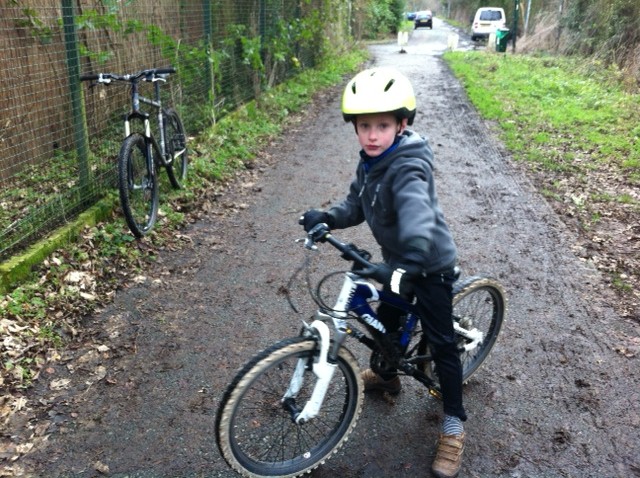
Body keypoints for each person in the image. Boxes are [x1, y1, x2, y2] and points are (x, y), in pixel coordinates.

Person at [300, 67, 466, 478]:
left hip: (427, 265)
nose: (372, 135)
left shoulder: (409, 167)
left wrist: (407, 265)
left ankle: (453, 425)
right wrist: (328, 217)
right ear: (355, 128)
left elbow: (417, 218)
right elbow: (355, 204)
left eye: (383, 125)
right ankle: (389, 377)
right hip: (397, 263)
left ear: (402, 124)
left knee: (443, 345)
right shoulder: (370, 163)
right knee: (386, 325)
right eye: (364, 126)